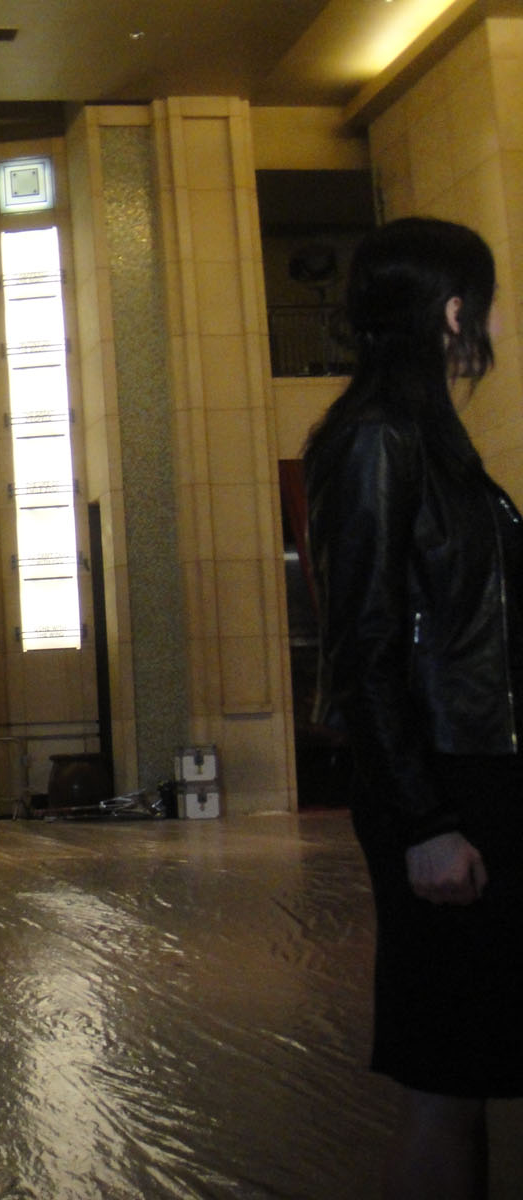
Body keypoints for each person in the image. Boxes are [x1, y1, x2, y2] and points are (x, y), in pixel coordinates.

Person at [304, 216, 523, 1198]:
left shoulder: (426, 435)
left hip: (477, 773)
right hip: (445, 783)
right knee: (445, 1077)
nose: (487, 323)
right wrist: (423, 822)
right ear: (447, 311)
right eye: (478, 303)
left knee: (470, 1067)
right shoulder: (376, 438)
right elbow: (366, 645)